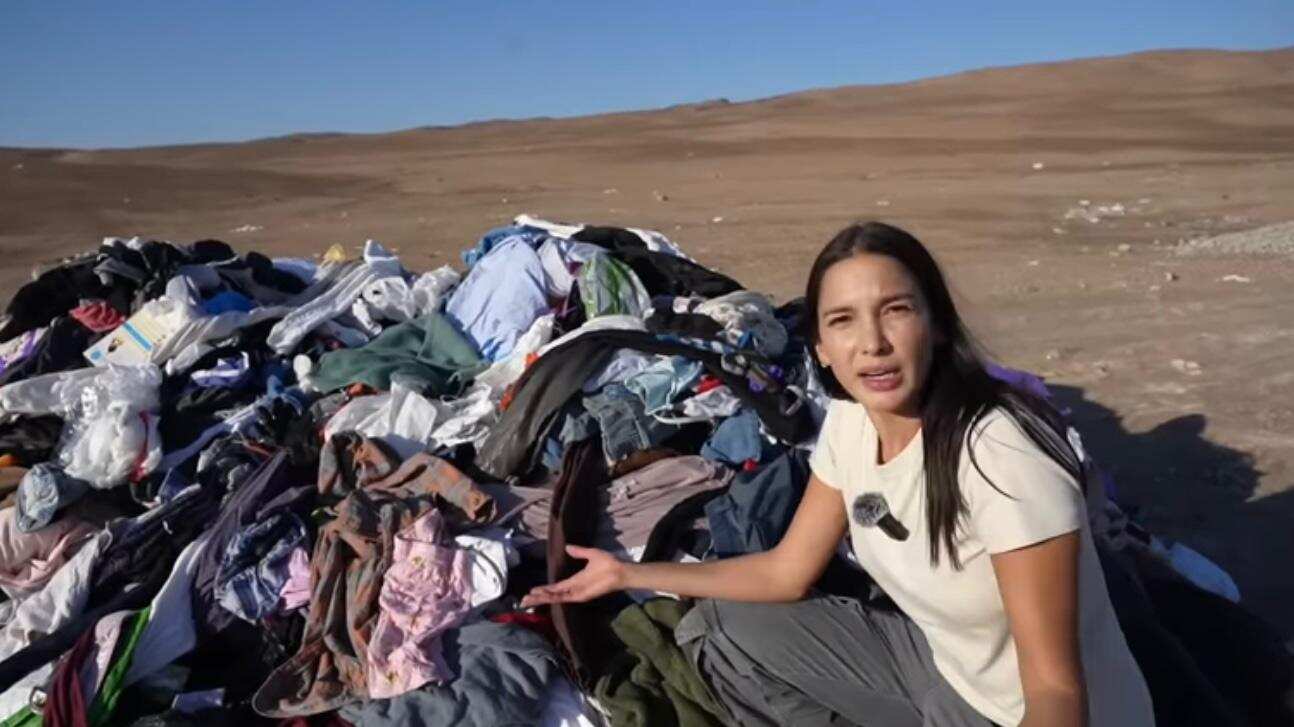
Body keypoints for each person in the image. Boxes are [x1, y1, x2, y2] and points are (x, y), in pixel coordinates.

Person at [522, 221, 1154, 727]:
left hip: (1033, 713)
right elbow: (786, 571)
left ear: (935, 326)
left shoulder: (998, 454)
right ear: (819, 345)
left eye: (896, 310)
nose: (871, 343)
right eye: (843, 320)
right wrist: (628, 574)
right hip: (945, 674)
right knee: (726, 629)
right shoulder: (852, 425)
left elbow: (1054, 689)